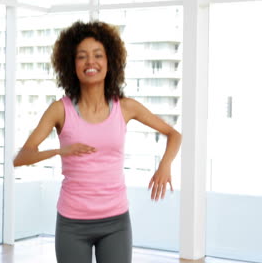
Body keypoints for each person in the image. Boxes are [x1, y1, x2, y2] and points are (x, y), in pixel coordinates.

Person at [13, 20, 182, 263]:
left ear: (109, 61)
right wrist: (61, 150)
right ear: (72, 65)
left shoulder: (125, 107)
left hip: (116, 222)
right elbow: (21, 158)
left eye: (98, 55)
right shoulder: (60, 110)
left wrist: (164, 166)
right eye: (82, 56)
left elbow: (174, 134)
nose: (90, 62)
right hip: (72, 223)